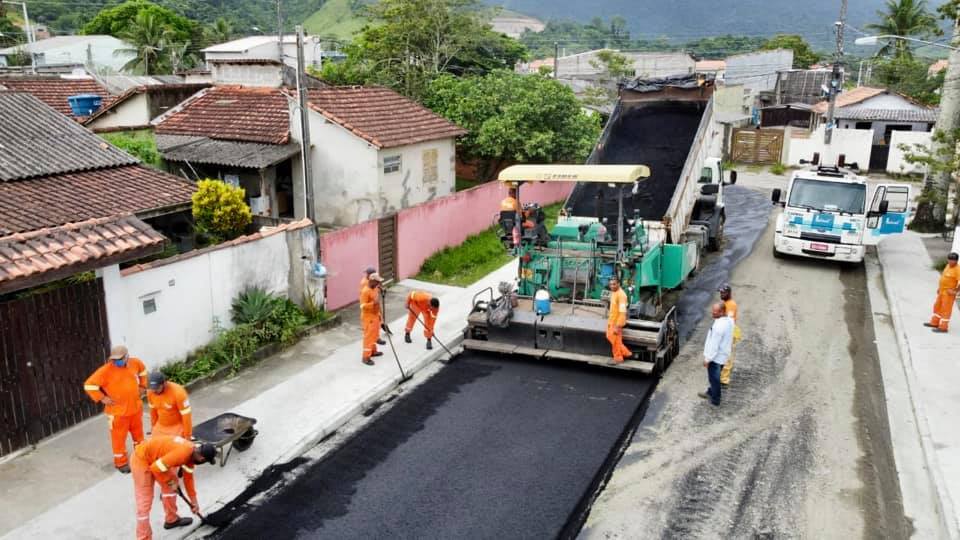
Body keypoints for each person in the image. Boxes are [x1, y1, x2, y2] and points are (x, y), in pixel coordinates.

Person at [131, 434, 216, 539]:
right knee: (145, 502)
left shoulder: (192, 455)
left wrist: (194, 501)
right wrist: (170, 482)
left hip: (158, 459)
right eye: (205, 461)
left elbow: (188, 479)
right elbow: (155, 468)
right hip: (142, 458)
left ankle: (171, 520)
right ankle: (143, 537)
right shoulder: (183, 453)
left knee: (171, 485)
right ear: (202, 458)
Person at [83, 345, 147, 473]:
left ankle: (141, 457)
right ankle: (121, 463)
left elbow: (143, 372)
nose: (117, 361)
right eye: (114, 359)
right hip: (117, 414)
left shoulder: (136, 363)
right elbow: (89, 385)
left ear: (127, 356)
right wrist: (101, 397)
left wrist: (143, 386)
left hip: (135, 409)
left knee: (139, 437)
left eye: (120, 359)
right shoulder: (105, 371)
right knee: (118, 440)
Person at [698, 303, 734, 406]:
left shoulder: (719, 327)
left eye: (715, 311)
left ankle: (715, 400)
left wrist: (707, 359)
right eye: (712, 310)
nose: (712, 313)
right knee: (715, 377)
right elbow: (731, 317)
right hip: (724, 355)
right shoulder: (728, 321)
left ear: (722, 312)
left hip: (716, 358)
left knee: (714, 379)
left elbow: (714, 345)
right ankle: (710, 392)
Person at [146, 371, 193, 438]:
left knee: (174, 446)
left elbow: (186, 417)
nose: (154, 391)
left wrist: (187, 436)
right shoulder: (150, 392)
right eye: (152, 388)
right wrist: (153, 428)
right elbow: (153, 412)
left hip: (177, 427)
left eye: (157, 388)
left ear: (164, 383)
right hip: (161, 426)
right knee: (154, 445)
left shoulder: (179, 393)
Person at [925, 252, 960, 333]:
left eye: (953, 260)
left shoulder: (958, 269)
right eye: (949, 260)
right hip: (942, 291)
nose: (950, 262)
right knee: (937, 306)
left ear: (956, 261)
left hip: (948, 293)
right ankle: (934, 322)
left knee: (946, 309)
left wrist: (955, 291)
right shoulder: (948, 266)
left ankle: (943, 327)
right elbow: (944, 277)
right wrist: (939, 288)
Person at [718, 284, 742, 386]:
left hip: (728, 333)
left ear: (729, 293)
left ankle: (724, 379)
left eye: (723, 293)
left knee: (727, 356)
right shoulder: (726, 303)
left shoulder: (731, 305)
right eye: (720, 292)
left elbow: (729, 321)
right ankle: (722, 376)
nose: (721, 294)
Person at [360, 273, 386, 365]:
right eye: (377, 282)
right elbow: (362, 306)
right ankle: (366, 357)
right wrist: (373, 304)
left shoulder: (375, 288)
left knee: (374, 335)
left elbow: (377, 290)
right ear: (372, 281)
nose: (379, 283)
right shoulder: (365, 291)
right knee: (368, 337)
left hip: (375, 315)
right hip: (368, 318)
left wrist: (382, 290)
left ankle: (373, 351)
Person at [606, 278, 632, 364]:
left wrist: (618, 326)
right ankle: (626, 353)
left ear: (618, 284)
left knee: (615, 341)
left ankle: (618, 358)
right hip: (612, 320)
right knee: (612, 338)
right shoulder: (614, 293)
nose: (612, 286)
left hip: (616, 322)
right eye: (611, 284)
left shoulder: (621, 295)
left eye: (614, 284)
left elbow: (622, 312)